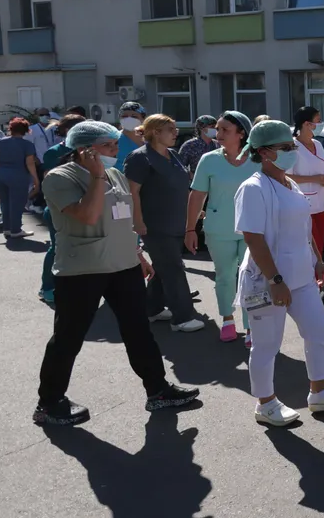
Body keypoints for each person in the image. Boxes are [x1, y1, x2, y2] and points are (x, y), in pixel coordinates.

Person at [35, 121, 200, 426]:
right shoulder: (60, 178)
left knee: (138, 330)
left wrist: (137, 254)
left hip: (122, 265)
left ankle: (158, 390)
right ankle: (49, 402)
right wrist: (96, 175)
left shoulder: (114, 174)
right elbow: (88, 215)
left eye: (114, 145)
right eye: (108, 146)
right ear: (84, 149)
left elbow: (121, 218)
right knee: (68, 338)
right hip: (82, 269)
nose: (115, 150)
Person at [235, 120, 324, 426]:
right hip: (267, 281)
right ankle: (266, 404)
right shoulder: (253, 188)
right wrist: (275, 281)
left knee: (318, 330)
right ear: (263, 153)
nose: (292, 151)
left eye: (292, 146)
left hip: (301, 277)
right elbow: (253, 238)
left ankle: (319, 392)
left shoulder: (290, 183)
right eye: (285, 148)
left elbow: (303, 229)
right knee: (267, 345)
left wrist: (318, 261)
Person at [126, 114, 203, 333]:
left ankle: (152, 309)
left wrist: (197, 211)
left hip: (176, 221)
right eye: (170, 129)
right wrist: (138, 222)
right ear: (155, 132)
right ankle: (182, 318)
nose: (175, 132)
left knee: (163, 267)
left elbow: (182, 185)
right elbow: (133, 192)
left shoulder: (173, 154)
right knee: (173, 268)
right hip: (155, 225)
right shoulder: (139, 157)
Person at [185, 111, 257, 343]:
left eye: (225, 129)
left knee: (251, 278)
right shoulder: (210, 159)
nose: (218, 134)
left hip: (252, 230)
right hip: (219, 229)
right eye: (218, 128)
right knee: (225, 276)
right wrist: (190, 229)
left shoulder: (258, 160)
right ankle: (227, 319)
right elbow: (197, 196)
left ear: (241, 133)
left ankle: (251, 326)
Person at [38, 115, 86, 301]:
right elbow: (50, 181)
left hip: (83, 206)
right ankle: (47, 287)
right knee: (57, 247)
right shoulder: (54, 152)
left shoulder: (89, 150)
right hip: (59, 207)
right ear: (66, 129)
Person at [287, 107, 324, 262]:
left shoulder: (318, 144)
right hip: (302, 205)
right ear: (306, 124)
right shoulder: (292, 146)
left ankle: (317, 283)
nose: (320, 123)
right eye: (318, 120)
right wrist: (314, 179)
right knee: (307, 251)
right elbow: (285, 176)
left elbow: (322, 170)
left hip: (320, 203)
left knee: (319, 248)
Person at [0, 117, 40, 238]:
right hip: (18, 175)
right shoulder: (27, 145)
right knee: (17, 203)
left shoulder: (0, 142)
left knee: (5, 203)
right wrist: (36, 179)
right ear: (26, 130)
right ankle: (16, 229)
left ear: (11, 129)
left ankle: (7, 228)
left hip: (1, 174)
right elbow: (30, 163)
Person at [116, 102, 146, 168]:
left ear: (143, 119)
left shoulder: (149, 139)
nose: (129, 119)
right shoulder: (113, 139)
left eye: (134, 116)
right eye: (124, 116)